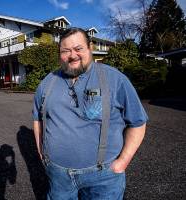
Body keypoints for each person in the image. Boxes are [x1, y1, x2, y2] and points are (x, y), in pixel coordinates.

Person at [33, 28, 148, 200]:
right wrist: (42, 153)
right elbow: (38, 119)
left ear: (90, 48)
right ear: (60, 54)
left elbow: (138, 122)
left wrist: (123, 162)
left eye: (78, 48)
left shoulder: (115, 79)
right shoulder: (47, 83)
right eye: (65, 51)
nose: (72, 55)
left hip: (103, 178)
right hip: (58, 176)